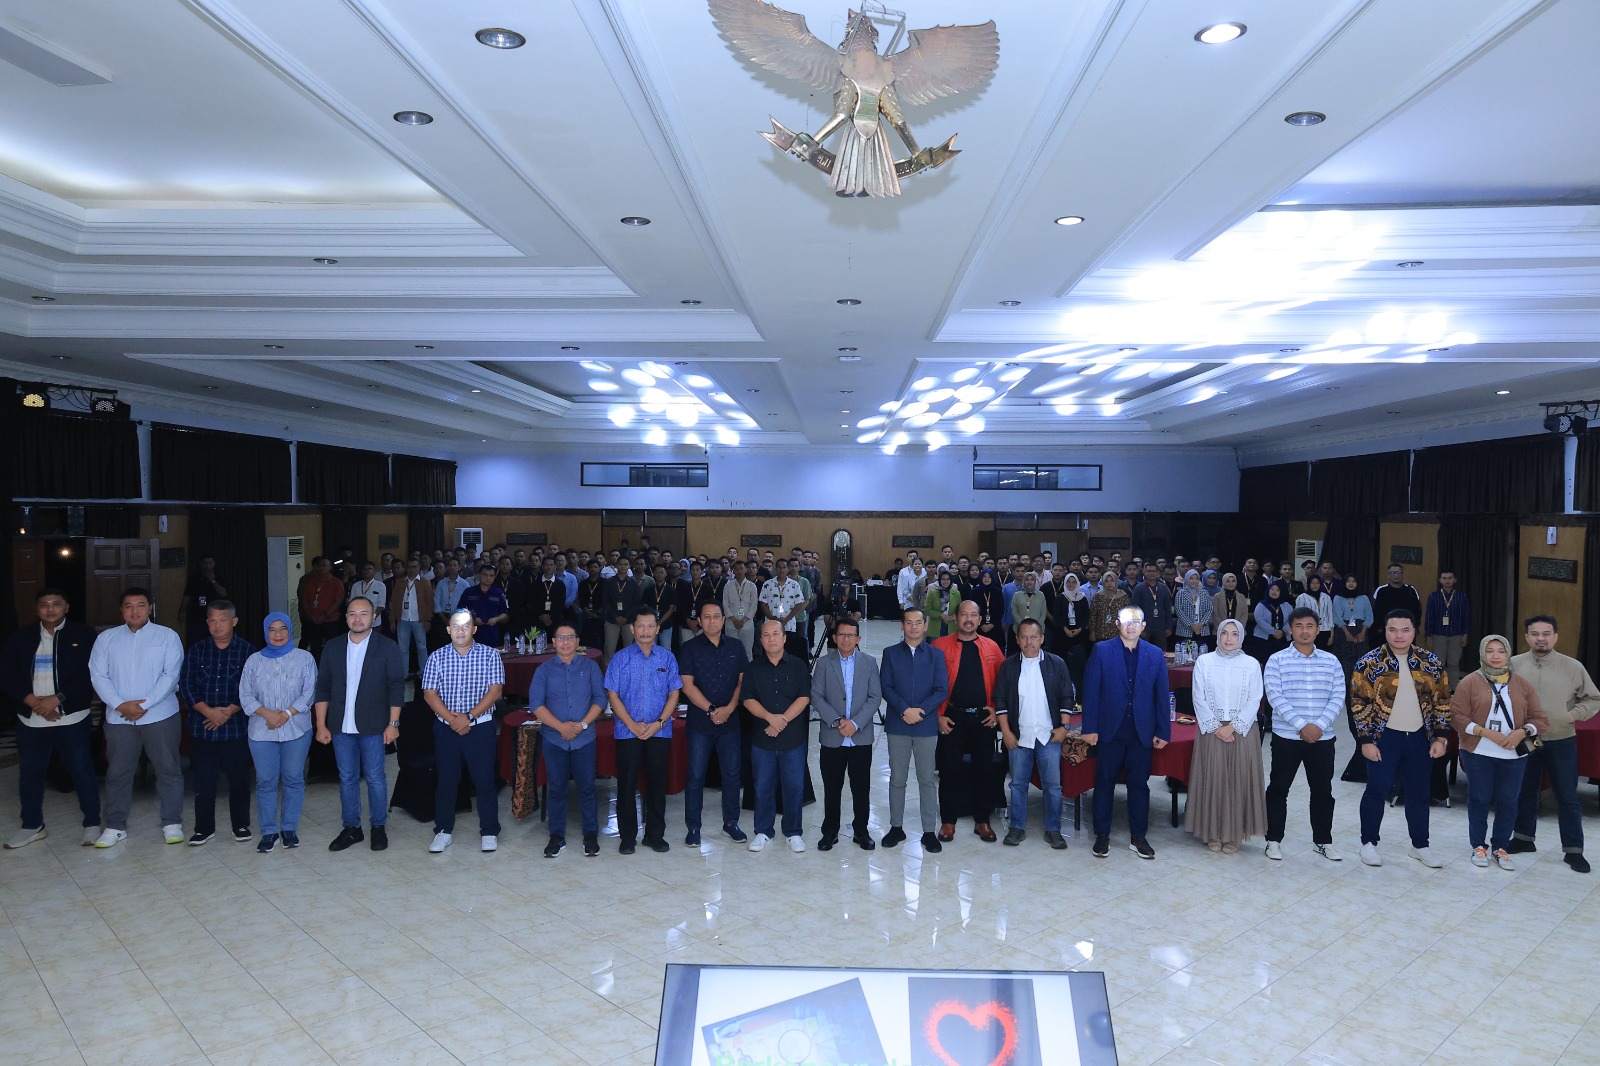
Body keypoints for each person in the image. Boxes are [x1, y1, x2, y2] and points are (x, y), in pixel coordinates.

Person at [1350, 611, 1451, 868]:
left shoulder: (1430, 662)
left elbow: (1442, 701)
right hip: (1384, 738)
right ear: (1384, 631)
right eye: (1393, 629)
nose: (1399, 635)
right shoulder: (1369, 663)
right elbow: (1359, 704)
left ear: (1414, 631)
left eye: (1405, 630)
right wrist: (1366, 741)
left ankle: (1420, 846)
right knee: (1377, 790)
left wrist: (1440, 738)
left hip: (1419, 737)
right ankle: (1368, 843)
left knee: (1419, 793)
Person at [2, 588, 100, 850]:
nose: (50, 609)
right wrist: (34, 702)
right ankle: (32, 825)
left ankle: (92, 823)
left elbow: (91, 674)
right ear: (37, 609)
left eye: (56, 603)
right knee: (30, 773)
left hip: (71, 717)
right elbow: (7, 674)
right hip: (31, 719)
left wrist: (57, 699)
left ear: (66, 607)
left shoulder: (84, 635)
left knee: (81, 770)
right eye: (44, 604)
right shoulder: (21, 637)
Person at [89, 588, 186, 848]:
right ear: (121, 610)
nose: (135, 611)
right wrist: (120, 704)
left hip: (160, 715)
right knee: (118, 773)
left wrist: (145, 704)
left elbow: (171, 675)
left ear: (150, 608)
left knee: (168, 770)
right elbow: (98, 676)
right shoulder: (106, 639)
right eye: (128, 606)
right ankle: (115, 825)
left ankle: (172, 822)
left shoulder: (167, 636)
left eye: (140, 605)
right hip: (119, 718)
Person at [313, 597, 405, 853]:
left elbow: (396, 686)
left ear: (373, 617)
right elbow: (323, 687)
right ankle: (352, 827)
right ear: (345, 618)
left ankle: (378, 827)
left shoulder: (387, 647)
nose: (357, 618)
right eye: (352, 613)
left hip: (374, 726)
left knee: (375, 778)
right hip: (340, 726)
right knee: (347, 778)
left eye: (363, 613)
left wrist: (393, 723)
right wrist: (321, 725)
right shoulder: (332, 647)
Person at [1509, 615, 1600, 872]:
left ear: (1555, 637)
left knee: (1567, 796)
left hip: (1561, 739)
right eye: (1535, 634)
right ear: (1526, 637)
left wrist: (1571, 716)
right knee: (1525, 790)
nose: (1541, 639)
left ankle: (1573, 850)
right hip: (1527, 739)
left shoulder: (1572, 667)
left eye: (1546, 634)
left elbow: (1593, 699)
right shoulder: (1513, 664)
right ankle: (1523, 838)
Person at [1080, 606, 1171, 859]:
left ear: (1143, 626)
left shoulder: (1155, 654)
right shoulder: (1101, 650)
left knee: (1139, 785)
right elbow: (1091, 691)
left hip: (1142, 731)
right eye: (1126, 621)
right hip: (1110, 730)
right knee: (1104, 783)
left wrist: (1163, 730)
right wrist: (1089, 728)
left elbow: (1161, 696)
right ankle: (1102, 835)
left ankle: (1139, 837)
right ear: (1117, 624)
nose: (1131, 626)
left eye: (1136, 622)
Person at [1452, 634, 1548, 870]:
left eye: (1501, 651)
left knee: (1508, 801)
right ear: (1482, 653)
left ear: (1508, 654)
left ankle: (1500, 848)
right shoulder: (1470, 682)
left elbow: (1540, 719)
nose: (1495, 656)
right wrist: (1486, 732)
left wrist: (1522, 732)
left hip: (1513, 755)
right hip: (1478, 752)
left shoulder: (1522, 684)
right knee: (1479, 799)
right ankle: (1478, 846)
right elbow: (1456, 717)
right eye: (1490, 651)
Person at [1260, 609, 1344, 862]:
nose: (1304, 631)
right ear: (1290, 629)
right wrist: (1301, 726)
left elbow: (1338, 696)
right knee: (1278, 789)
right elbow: (1275, 696)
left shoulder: (1331, 661)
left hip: (1322, 737)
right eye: (1299, 626)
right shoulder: (1277, 660)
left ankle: (1323, 841)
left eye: (1310, 626)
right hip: (1287, 737)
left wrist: (1318, 726)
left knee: (1322, 791)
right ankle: (1273, 840)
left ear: (1318, 629)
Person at [420, 608, 504, 853]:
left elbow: (495, 692)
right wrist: (452, 720)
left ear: (474, 629)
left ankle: (489, 831)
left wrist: (468, 717)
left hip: (480, 727)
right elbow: (429, 694)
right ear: (448, 629)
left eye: (465, 626)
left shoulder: (490, 655)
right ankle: (443, 831)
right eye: (455, 626)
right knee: (447, 780)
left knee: (484, 781)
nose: (460, 630)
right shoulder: (436, 657)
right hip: (446, 728)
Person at [604, 608, 683, 854]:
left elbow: (674, 694)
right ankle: (627, 838)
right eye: (641, 626)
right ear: (632, 629)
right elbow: (613, 695)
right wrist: (632, 724)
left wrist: (659, 723)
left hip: (659, 731)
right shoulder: (620, 658)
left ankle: (654, 835)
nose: (645, 631)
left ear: (658, 629)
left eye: (650, 626)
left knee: (656, 784)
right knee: (627, 785)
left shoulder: (667, 658)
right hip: (628, 731)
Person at [239, 612, 318, 852]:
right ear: (265, 632)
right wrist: (268, 714)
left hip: (297, 729)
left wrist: (285, 714)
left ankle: (289, 828)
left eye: (282, 628)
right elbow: (245, 695)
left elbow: (309, 692)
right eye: (272, 629)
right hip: (262, 731)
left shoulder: (304, 658)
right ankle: (269, 831)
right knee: (266, 781)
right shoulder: (253, 661)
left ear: (290, 631)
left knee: (293, 778)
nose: (278, 634)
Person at [994, 618, 1075, 850]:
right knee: (1018, 785)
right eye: (1024, 637)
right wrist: (1006, 732)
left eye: (1033, 637)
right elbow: (1000, 701)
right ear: (1017, 639)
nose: (1029, 642)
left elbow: (1067, 696)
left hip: (1049, 736)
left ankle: (1053, 830)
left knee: (1053, 787)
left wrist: (1064, 727)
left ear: (1042, 639)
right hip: (1019, 737)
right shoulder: (1008, 666)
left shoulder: (1056, 664)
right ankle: (1016, 828)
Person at [1186, 618, 1266, 854]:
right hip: (1211, 729)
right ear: (1218, 635)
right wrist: (1216, 726)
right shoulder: (1204, 661)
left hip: (1242, 730)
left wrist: (1233, 727)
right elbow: (1198, 697)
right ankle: (1212, 832)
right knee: (1213, 779)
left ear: (1241, 637)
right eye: (1224, 633)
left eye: (1234, 634)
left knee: (1238, 781)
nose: (1229, 638)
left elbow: (1255, 698)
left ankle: (1234, 835)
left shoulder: (1251, 664)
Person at [180, 601, 256, 845]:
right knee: (203, 781)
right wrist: (208, 712)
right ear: (207, 623)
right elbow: (187, 685)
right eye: (212, 620)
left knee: (239, 780)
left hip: (236, 727)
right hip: (203, 727)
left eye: (222, 620)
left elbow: (253, 687)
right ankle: (204, 828)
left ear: (234, 621)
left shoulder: (247, 651)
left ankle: (241, 825)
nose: (217, 625)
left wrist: (227, 712)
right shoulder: (197, 649)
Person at [529, 623, 606, 858]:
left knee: (587, 788)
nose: (565, 642)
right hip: (555, 739)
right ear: (553, 642)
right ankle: (556, 836)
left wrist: (581, 725)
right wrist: (561, 727)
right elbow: (536, 705)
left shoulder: (590, 667)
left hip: (584, 738)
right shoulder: (543, 670)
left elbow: (600, 700)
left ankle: (590, 835)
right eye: (561, 638)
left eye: (570, 637)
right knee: (556, 788)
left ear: (577, 641)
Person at [931, 599, 1005, 842]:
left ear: (980, 619)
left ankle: (982, 820)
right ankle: (948, 821)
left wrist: (997, 710)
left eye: (974, 615)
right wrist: (938, 715)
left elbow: (1004, 683)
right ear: (956, 617)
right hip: (951, 717)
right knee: (949, 771)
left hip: (983, 719)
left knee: (984, 770)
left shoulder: (992, 646)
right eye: (964, 614)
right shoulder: (940, 646)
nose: (969, 619)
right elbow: (930, 685)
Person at [878, 607, 949, 853]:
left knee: (927, 780)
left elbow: (941, 689)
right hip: (898, 724)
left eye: (918, 622)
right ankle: (896, 827)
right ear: (902, 626)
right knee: (897, 779)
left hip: (926, 725)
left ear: (925, 626)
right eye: (909, 622)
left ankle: (928, 831)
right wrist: (903, 710)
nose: (914, 627)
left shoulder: (936, 655)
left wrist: (921, 711)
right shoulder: (890, 653)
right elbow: (886, 687)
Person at [678, 601, 749, 846]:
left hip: (730, 721)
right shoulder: (689, 648)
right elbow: (687, 686)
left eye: (716, 616)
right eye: (706, 617)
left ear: (723, 619)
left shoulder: (736, 647)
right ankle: (693, 828)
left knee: (731, 774)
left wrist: (728, 709)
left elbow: (742, 682)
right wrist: (710, 709)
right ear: (699, 621)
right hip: (700, 721)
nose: (712, 621)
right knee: (695, 775)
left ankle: (731, 823)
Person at [743, 620, 812, 853]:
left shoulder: (798, 666)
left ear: (784, 638)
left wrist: (780, 722)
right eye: (766, 635)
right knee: (763, 786)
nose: (771, 638)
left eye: (775, 634)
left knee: (794, 787)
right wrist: (769, 718)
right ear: (761, 640)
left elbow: (804, 697)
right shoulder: (753, 668)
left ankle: (793, 832)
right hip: (762, 738)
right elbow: (748, 699)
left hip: (792, 739)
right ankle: (763, 831)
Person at [811, 618, 880, 851]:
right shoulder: (823, 664)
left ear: (858, 638)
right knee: (832, 787)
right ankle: (830, 831)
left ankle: (861, 831)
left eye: (851, 635)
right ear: (834, 638)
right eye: (842, 635)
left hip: (860, 736)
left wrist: (856, 723)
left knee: (861, 787)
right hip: (833, 735)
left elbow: (875, 697)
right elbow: (816, 696)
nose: (846, 639)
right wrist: (838, 721)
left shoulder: (869, 663)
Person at [1424, 570, 1471, 689]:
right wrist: (1428, 635)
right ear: (1440, 580)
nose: (1447, 581)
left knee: (1453, 663)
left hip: (1456, 634)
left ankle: (1453, 688)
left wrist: (1465, 634)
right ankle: (1439, 688)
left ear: (1454, 580)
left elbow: (1466, 616)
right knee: (1438, 663)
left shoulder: (1461, 596)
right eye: (1444, 578)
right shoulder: (1433, 596)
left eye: (1450, 578)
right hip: (1438, 634)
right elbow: (1429, 616)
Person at [388, 559, 433, 677]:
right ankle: (404, 673)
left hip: (419, 620)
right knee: (402, 649)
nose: (412, 569)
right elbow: (393, 602)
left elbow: (430, 603)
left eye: (414, 567)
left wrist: (428, 619)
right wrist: (392, 620)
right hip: (402, 620)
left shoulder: (424, 582)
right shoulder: (400, 583)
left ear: (419, 568)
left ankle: (423, 671)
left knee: (422, 647)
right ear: (406, 568)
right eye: (409, 567)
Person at [759, 558, 807, 660]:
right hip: (771, 624)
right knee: (770, 651)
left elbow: (799, 604)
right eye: (779, 567)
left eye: (784, 567)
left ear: (788, 568)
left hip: (789, 625)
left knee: (788, 652)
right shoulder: (767, 584)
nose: (782, 570)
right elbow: (763, 604)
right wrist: (773, 619)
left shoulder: (794, 585)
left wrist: (787, 619)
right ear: (775, 569)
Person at [299, 556, 346, 660]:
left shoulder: (336, 582)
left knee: (331, 645)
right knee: (314, 646)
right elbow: (304, 600)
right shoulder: (309, 582)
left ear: (330, 567)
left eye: (325, 565)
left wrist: (325, 615)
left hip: (330, 620)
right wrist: (310, 616)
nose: (322, 568)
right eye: (320, 565)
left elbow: (338, 601)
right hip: (313, 620)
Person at [1330, 575, 1373, 680]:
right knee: (1344, 661)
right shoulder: (1338, 598)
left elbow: (1369, 617)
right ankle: (1345, 686)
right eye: (1348, 581)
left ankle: (1360, 685)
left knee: (1361, 660)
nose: (1351, 583)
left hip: (1361, 630)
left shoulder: (1364, 598)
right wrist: (1347, 633)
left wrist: (1362, 633)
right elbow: (1337, 617)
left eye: (1354, 581)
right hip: (1343, 631)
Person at [459, 564, 511, 648]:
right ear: (478, 575)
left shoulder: (498, 593)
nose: (488, 578)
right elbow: (459, 612)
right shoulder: (469, 592)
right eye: (485, 575)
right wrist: (471, 619)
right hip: (471, 636)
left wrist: (496, 619)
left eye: (491, 575)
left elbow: (505, 615)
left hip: (492, 635)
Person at [181, 555, 227, 647]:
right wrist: (181, 612)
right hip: (198, 615)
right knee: (196, 641)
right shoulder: (194, 577)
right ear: (201, 564)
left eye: (210, 563)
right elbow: (187, 596)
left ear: (214, 564)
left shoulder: (219, 575)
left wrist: (212, 580)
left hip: (215, 616)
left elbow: (223, 593)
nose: (207, 566)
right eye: (205, 563)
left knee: (215, 641)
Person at [723, 559, 760, 660]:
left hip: (747, 624)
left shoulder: (752, 586)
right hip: (731, 623)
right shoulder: (728, 585)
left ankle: (748, 669)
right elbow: (725, 604)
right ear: (733, 570)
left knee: (747, 650)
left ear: (746, 570)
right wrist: (734, 620)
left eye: (741, 568)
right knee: (731, 650)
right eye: (736, 569)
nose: (739, 571)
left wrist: (743, 621)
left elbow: (754, 606)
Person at [1250, 581, 1290, 666]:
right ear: (1268, 591)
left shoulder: (1286, 605)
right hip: (1264, 640)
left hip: (1282, 638)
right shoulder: (1261, 605)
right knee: (1266, 663)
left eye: (1277, 590)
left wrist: (1283, 631)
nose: (1274, 592)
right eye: (1272, 589)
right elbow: (1259, 620)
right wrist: (1273, 632)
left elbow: (1291, 619)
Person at [1174, 568, 1214, 649]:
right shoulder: (1180, 593)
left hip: (1202, 630)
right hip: (1185, 630)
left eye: (1196, 578)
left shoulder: (1204, 593)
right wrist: (1191, 625)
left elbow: (1209, 609)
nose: (1194, 581)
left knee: (1202, 652)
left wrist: (1201, 624)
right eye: (1191, 578)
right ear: (1186, 579)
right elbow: (1179, 610)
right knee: (1186, 652)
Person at [1088, 573, 1131, 644]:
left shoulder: (1123, 596)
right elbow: (1093, 615)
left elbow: (1128, 615)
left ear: (1116, 581)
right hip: (1101, 632)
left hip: (1118, 632)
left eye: (1112, 580)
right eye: (1107, 581)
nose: (1109, 583)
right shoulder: (1098, 596)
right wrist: (1092, 631)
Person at [1295, 574, 1335, 649]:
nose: (1315, 585)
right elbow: (1298, 617)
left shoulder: (1326, 597)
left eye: (1317, 583)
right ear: (1308, 584)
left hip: (1325, 631)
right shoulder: (1302, 598)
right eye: (1312, 583)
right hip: (1308, 631)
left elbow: (1330, 617)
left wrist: (1332, 635)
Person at [1010, 569, 1049, 644]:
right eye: (1027, 580)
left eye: (1032, 580)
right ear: (1024, 581)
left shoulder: (1041, 595)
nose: (1029, 582)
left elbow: (1043, 612)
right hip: (1019, 629)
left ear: (1035, 581)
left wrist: (1036, 626)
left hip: (1037, 630)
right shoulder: (1017, 595)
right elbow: (1014, 611)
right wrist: (1022, 624)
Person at [924, 568, 961, 640]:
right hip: (935, 627)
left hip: (951, 627)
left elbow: (959, 610)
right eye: (943, 579)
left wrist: (953, 617)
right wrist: (941, 615)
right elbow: (927, 610)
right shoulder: (932, 593)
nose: (945, 582)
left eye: (948, 579)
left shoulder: (956, 593)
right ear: (939, 580)